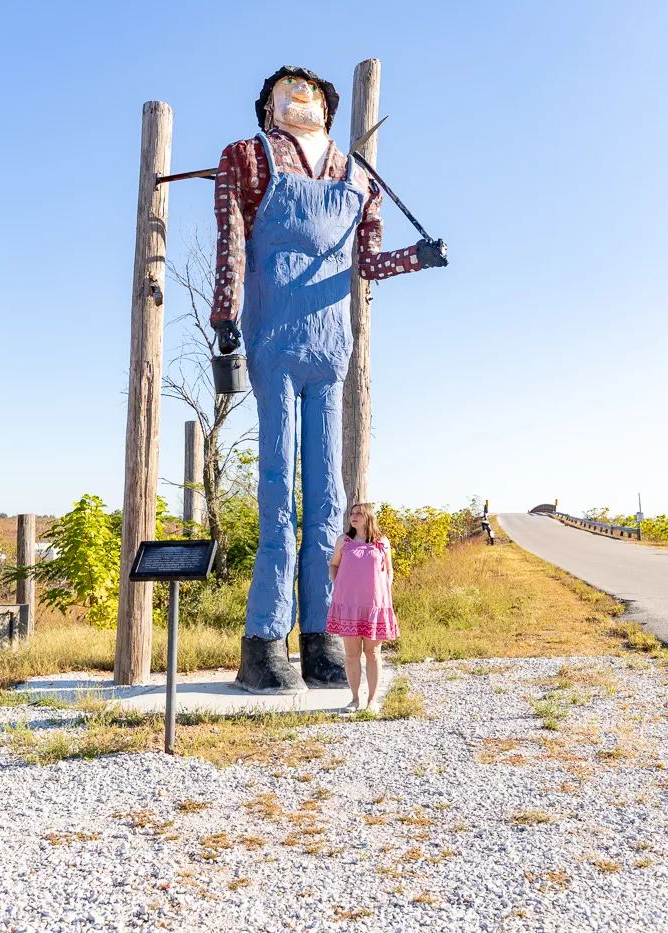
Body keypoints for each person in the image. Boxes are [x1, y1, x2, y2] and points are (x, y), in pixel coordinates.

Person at [212, 65, 447, 694]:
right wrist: (226, 316)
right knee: (277, 493)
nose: (298, 94)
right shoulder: (248, 158)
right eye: (285, 88)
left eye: (309, 89)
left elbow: (366, 262)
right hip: (273, 338)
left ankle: (321, 640)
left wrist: (416, 259)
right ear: (266, 107)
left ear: (328, 105)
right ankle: (264, 641)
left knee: (328, 502)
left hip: (329, 344)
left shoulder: (358, 176)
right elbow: (231, 244)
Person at [326, 503, 397, 712]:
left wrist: (384, 591)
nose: (354, 517)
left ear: (368, 517)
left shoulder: (382, 542)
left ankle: (372, 701)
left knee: (373, 653)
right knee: (351, 654)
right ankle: (355, 699)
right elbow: (334, 564)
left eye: (358, 514)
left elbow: (389, 570)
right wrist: (337, 584)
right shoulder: (344, 541)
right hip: (348, 605)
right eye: (352, 514)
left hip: (374, 606)